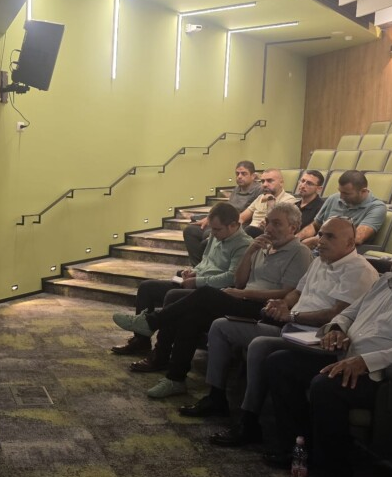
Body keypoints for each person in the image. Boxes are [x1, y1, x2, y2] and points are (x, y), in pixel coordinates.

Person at [181, 217, 378, 448]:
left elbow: (336, 315)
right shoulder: (320, 261)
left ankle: (249, 421)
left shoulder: (359, 271)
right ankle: (216, 398)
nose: (321, 240)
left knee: (259, 345)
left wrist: (292, 315)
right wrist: (283, 303)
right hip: (290, 327)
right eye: (321, 234)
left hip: (317, 337)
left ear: (350, 243)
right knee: (221, 327)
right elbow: (297, 292)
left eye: (330, 236)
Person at [263, 227, 392, 477]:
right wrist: (336, 328)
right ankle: (298, 448)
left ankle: (334, 473)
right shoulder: (386, 281)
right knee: (279, 363)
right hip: (344, 357)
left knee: (325, 386)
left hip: (383, 376)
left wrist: (366, 360)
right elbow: (348, 313)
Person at [114, 203, 312, 397]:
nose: (268, 228)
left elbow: (287, 293)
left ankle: (151, 322)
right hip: (243, 299)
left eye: (277, 224)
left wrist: (243, 294)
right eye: (267, 222)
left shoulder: (300, 252)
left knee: (205, 293)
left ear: (293, 227)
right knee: (191, 317)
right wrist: (251, 251)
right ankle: (175, 379)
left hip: (264, 308)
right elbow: (240, 281)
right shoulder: (262, 247)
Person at [111, 202, 251, 356]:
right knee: (146, 287)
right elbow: (205, 261)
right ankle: (141, 341)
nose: (213, 233)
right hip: (199, 281)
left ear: (233, 225)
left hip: (212, 290)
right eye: (212, 228)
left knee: (172, 296)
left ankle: (160, 353)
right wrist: (192, 272)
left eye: (217, 229)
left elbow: (231, 278)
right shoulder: (216, 235)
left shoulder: (243, 245)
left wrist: (197, 281)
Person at [183, 161, 261, 265]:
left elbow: (244, 216)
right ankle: (198, 266)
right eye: (237, 174)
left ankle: (209, 267)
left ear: (253, 176)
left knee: (208, 234)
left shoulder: (258, 190)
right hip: (223, 222)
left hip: (238, 226)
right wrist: (209, 218)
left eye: (244, 174)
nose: (239, 176)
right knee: (190, 231)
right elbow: (226, 209)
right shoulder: (237, 189)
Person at [298, 170, 387, 250]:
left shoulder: (376, 207)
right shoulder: (333, 198)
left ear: (363, 191)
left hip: (342, 255)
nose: (341, 197)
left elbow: (357, 238)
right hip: (318, 250)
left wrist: (317, 240)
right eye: (340, 191)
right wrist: (296, 239)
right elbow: (315, 226)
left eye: (346, 194)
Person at [239, 168, 298, 238]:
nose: (265, 184)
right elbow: (242, 218)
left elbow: (274, 224)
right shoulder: (260, 197)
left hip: (268, 236)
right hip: (250, 234)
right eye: (262, 181)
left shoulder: (289, 200)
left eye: (270, 181)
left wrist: (271, 201)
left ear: (281, 183)